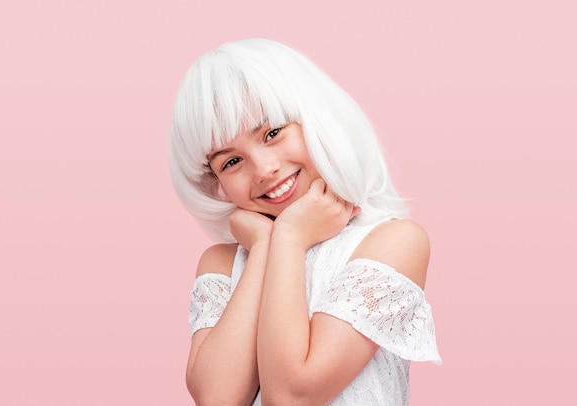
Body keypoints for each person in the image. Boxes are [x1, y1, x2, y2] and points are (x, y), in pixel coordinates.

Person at [169, 38, 441, 406]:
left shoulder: (392, 243)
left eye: (272, 133)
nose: (264, 169)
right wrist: (267, 245)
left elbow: (292, 395)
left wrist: (290, 238)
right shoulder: (221, 265)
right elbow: (217, 399)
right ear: (215, 185)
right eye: (231, 162)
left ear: (315, 119)